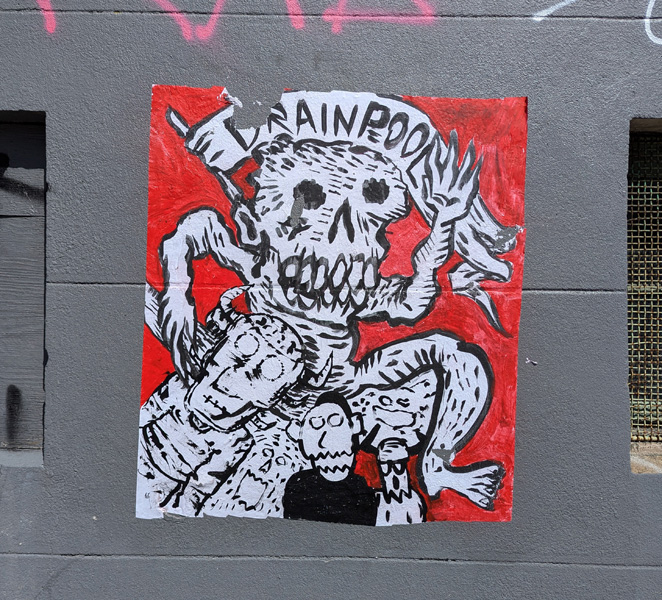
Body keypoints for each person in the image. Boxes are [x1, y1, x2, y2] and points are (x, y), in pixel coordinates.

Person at [283, 392, 378, 525]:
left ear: (355, 425)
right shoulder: (299, 485)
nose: (324, 441)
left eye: (335, 422)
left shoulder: (364, 485)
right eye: (316, 424)